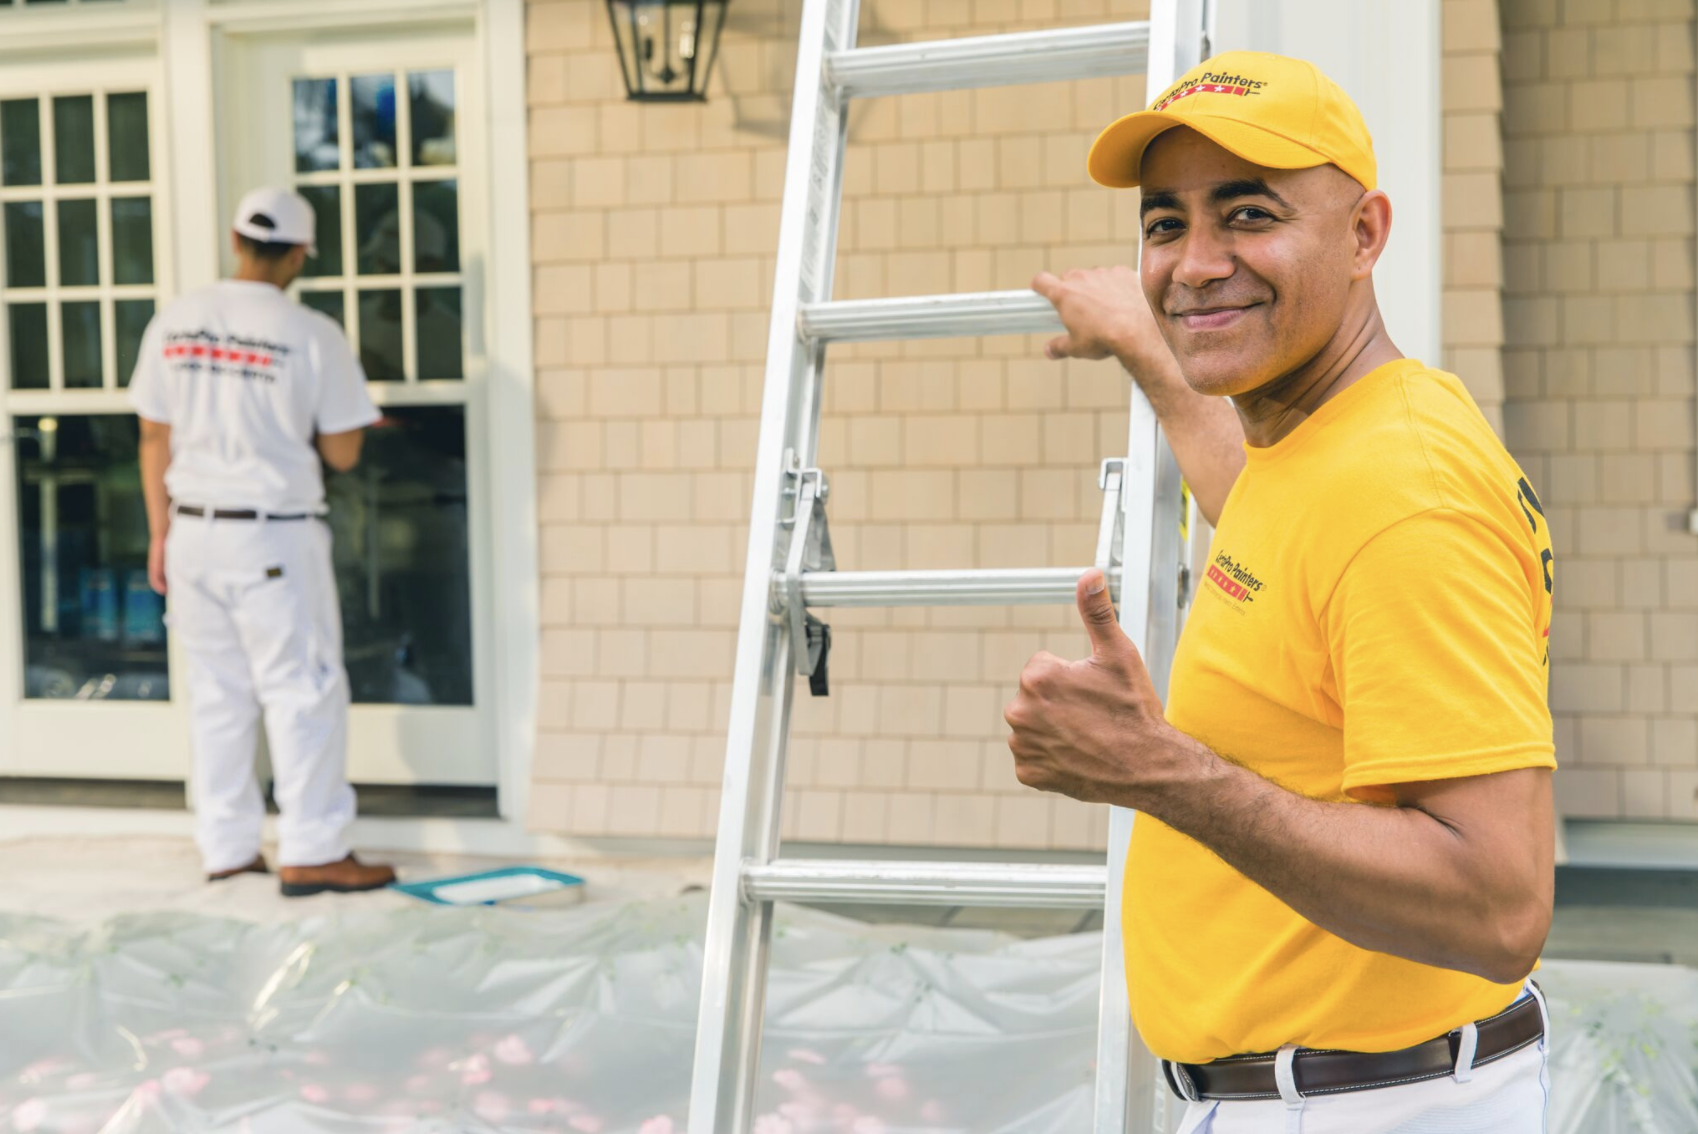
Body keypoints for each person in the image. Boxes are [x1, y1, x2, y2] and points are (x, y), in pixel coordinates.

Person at [1007, 52, 1557, 1133]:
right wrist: (1147, 347)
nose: (1196, 265)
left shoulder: (1406, 496)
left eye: (1248, 215)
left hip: (1371, 1106)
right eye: (1167, 227)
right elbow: (1271, 518)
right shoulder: (1324, 445)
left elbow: (1501, 908)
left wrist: (1155, 770)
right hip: (1338, 1089)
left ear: (1363, 236)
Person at [130, 187, 397, 898]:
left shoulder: (175, 320)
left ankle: (227, 847)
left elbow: (154, 435)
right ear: (302, 253)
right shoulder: (311, 332)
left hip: (190, 531)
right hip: (272, 538)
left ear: (235, 238)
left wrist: (160, 532)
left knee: (218, 696)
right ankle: (311, 848)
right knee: (301, 690)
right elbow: (342, 453)